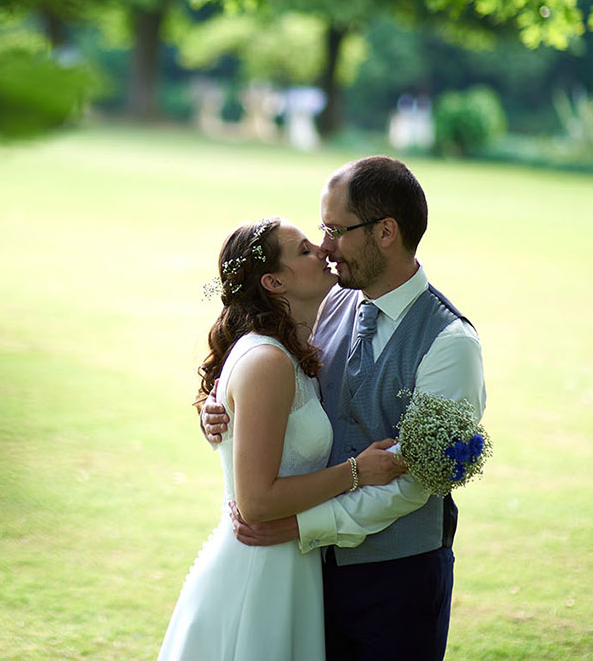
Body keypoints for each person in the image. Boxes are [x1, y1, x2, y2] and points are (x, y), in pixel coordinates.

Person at [201, 156, 486, 661]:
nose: (325, 247)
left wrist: (299, 527)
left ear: (385, 232)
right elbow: (270, 386)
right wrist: (220, 409)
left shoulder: (450, 342)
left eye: (336, 230)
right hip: (304, 575)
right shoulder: (326, 303)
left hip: (395, 584)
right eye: (320, 232)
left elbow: (415, 484)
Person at [158, 217, 406, 661]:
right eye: (305, 250)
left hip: (291, 566)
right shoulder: (268, 360)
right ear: (274, 281)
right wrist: (355, 473)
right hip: (259, 571)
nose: (324, 251)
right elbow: (256, 503)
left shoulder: (290, 349)